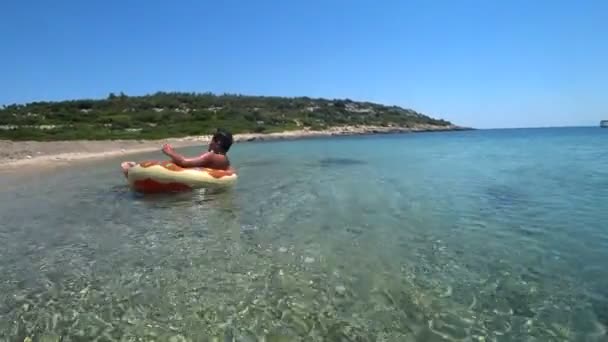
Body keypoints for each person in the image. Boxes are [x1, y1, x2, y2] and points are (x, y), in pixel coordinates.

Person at [161, 128, 233, 170]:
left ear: (218, 143)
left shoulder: (211, 156)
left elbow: (184, 162)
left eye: (212, 140)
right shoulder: (226, 160)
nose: (210, 143)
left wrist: (170, 152)